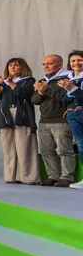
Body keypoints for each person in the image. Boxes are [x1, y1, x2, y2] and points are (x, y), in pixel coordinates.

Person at [0, 57, 38, 185]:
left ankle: (28, 177)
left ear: (23, 67)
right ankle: (11, 176)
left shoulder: (28, 80)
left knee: (24, 146)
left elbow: (23, 94)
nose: (12, 67)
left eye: (16, 65)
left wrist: (11, 83)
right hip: (5, 114)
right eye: (10, 65)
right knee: (8, 147)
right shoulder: (5, 82)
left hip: (21, 114)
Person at [32, 54, 75, 187]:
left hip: (61, 120)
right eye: (44, 64)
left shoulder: (67, 79)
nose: (46, 66)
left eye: (50, 63)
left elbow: (63, 98)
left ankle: (67, 177)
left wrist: (46, 90)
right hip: (44, 120)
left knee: (64, 150)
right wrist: (40, 92)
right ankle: (53, 176)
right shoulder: (43, 80)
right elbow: (35, 100)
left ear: (60, 64)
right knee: (46, 151)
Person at [64, 51, 83, 189]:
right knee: (81, 145)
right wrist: (69, 90)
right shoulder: (68, 78)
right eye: (73, 61)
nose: (76, 63)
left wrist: (73, 89)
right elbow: (63, 99)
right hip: (72, 114)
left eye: (79, 60)